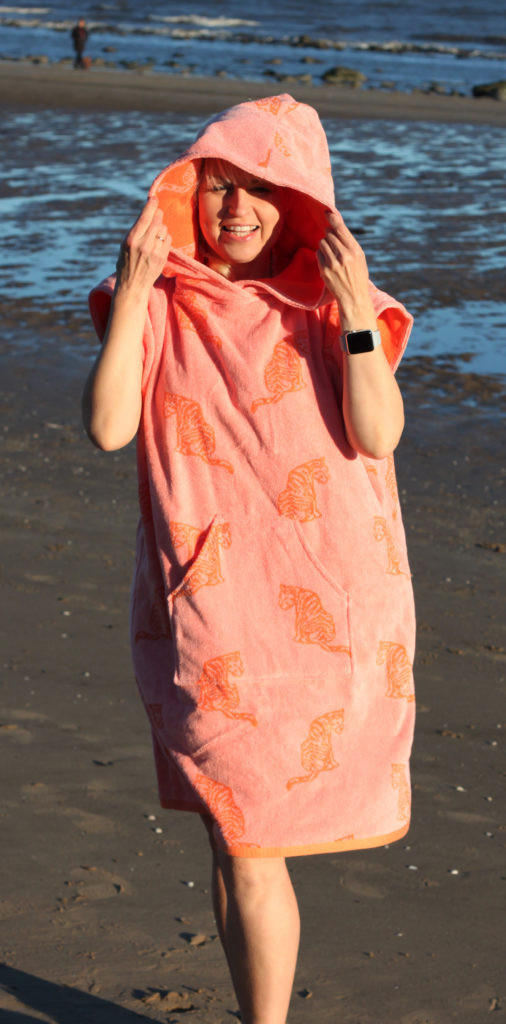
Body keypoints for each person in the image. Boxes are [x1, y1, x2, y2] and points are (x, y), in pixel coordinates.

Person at [82, 93, 416, 1024]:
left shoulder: (334, 301)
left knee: (248, 843)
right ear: (191, 194)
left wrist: (353, 308)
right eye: (219, 187)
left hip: (325, 606)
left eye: (261, 190)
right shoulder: (168, 302)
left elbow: (378, 432)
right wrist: (137, 294)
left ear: (303, 201)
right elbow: (110, 426)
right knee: (234, 843)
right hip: (214, 610)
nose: (235, 209)